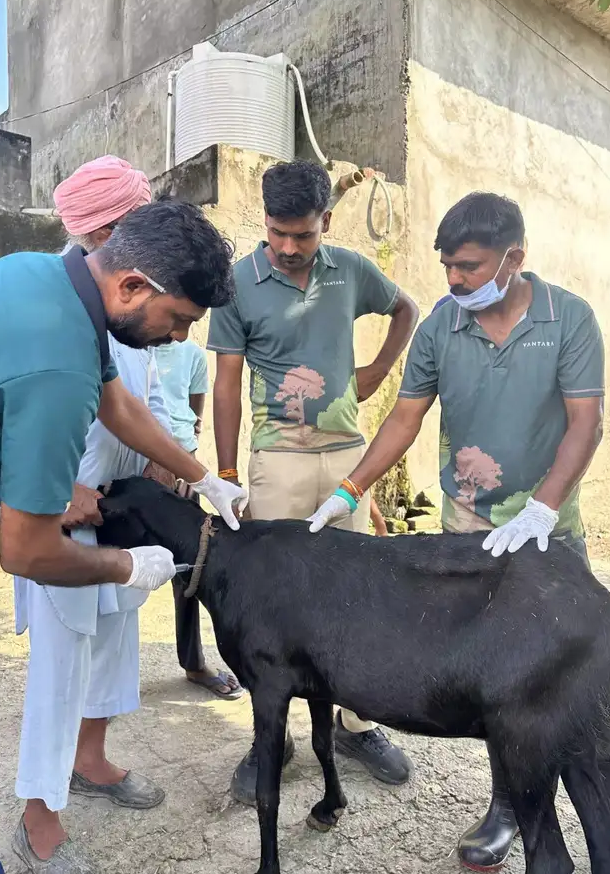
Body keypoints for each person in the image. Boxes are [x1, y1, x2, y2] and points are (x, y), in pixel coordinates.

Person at [308, 192, 610, 872]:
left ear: (514, 258)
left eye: (468, 265)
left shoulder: (566, 319)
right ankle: (507, 813)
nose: (454, 279)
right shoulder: (441, 326)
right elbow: (404, 418)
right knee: (501, 691)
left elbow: (587, 423)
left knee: (581, 695)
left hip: (548, 540)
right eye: (447, 266)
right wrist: (351, 486)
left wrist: (544, 506)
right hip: (465, 547)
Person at [0, 179, 248, 873]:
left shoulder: (49, 279)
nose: (178, 337)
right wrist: (126, 564)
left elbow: (124, 410)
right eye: (177, 319)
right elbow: (24, 548)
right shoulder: (57, 361)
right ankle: (11, 828)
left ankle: (81, 765)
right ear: (135, 282)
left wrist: (205, 477)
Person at [207, 159, 420, 806]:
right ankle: (269, 736)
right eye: (278, 234)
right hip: (279, 461)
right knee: (269, 607)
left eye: (303, 234)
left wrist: (378, 370)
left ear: (325, 221)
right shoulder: (238, 282)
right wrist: (224, 472)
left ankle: (357, 723)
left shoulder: (351, 270)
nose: (291, 247)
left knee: (354, 597)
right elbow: (225, 383)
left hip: (348, 461)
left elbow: (406, 308)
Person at [154, 337, 243, 700]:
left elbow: (193, 416)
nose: (181, 328)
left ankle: (193, 663)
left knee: (190, 568)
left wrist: (188, 468)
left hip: (182, 468)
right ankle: (104, 683)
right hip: (136, 464)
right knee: (114, 570)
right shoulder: (126, 345)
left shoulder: (191, 356)